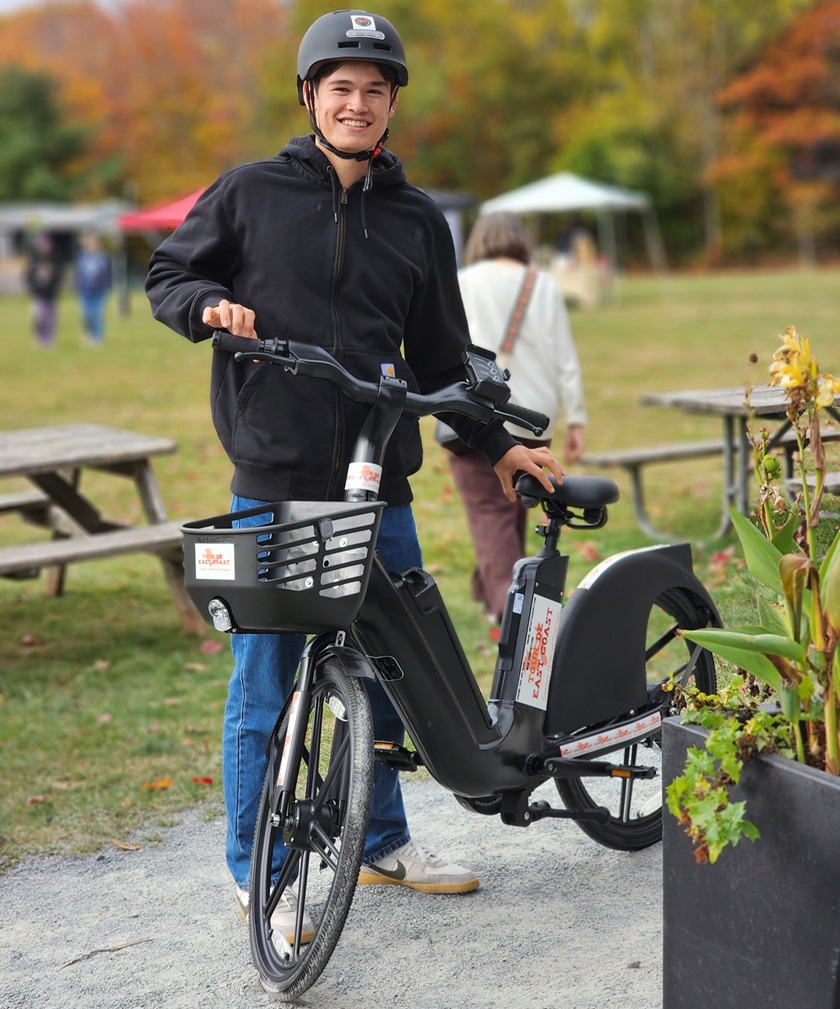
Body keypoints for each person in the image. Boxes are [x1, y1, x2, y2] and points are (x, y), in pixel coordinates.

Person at [145, 10, 564, 938]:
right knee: (265, 682)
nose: (358, 103)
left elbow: (445, 357)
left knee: (391, 672)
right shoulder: (249, 193)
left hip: (381, 482)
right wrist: (207, 303)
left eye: (376, 89)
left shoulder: (417, 220)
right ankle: (260, 869)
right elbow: (168, 274)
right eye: (341, 87)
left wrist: (499, 444)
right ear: (310, 96)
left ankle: (381, 841)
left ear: (391, 105)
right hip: (275, 474)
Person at [447, 211, 588, 625]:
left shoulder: (462, 281)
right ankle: (498, 593)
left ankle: (509, 612)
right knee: (515, 505)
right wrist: (576, 419)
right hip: (532, 415)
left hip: (474, 410)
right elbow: (565, 357)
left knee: (490, 511)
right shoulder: (543, 284)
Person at [24, 232, 63, 348]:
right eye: (42, 245)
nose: (44, 247)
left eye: (46, 245)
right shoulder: (34, 260)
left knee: (51, 319)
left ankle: (49, 339)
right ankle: (39, 338)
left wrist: (53, 281)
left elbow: (59, 276)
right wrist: (34, 288)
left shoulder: (55, 259)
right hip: (38, 295)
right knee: (38, 318)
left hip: (51, 295)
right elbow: (28, 276)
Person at [74, 233, 112, 346]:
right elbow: (79, 274)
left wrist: (107, 286)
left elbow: (107, 274)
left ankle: (97, 337)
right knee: (86, 314)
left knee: (97, 314)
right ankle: (88, 334)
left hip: (99, 291)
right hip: (85, 291)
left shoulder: (103, 258)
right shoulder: (83, 258)